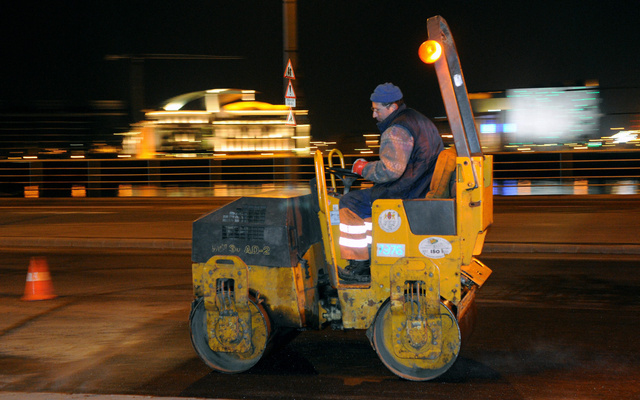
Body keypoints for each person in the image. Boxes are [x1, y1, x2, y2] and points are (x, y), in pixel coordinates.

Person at [338, 82, 444, 283]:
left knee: (349, 203)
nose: (374, 115)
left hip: (406, 191)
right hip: (421, 185)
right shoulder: (419, 120)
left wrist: (362, 168)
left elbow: (390, 170)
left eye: (377, 110)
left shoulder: (396, 130)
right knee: (366, 202)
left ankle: (359, 267)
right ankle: (372, 254)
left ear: (392, 107)